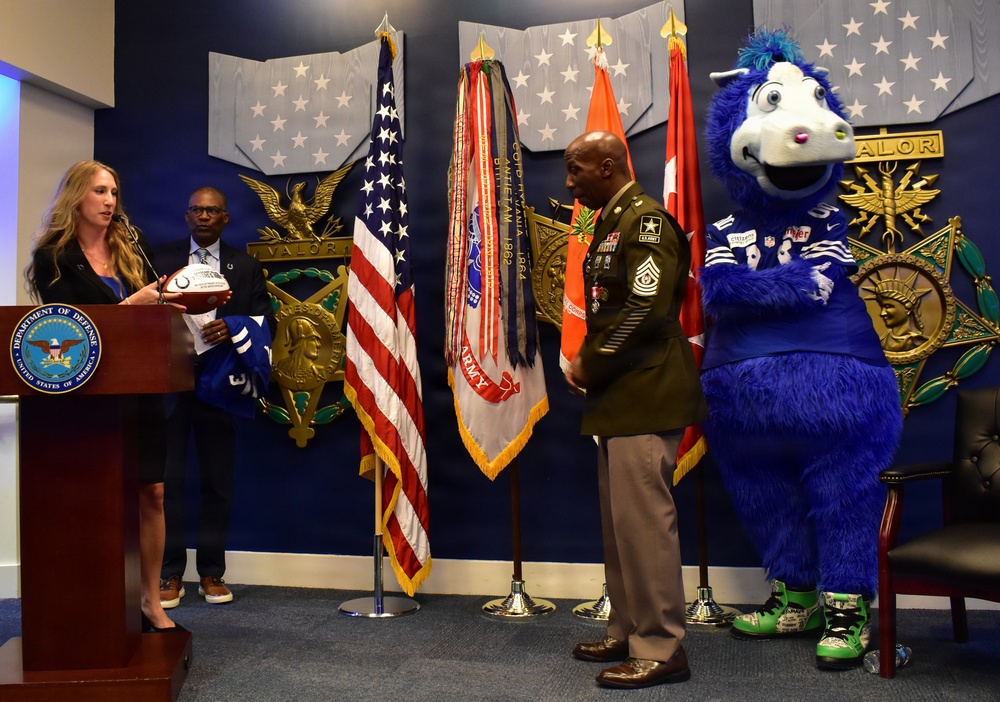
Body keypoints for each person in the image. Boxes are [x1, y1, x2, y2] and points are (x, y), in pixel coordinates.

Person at [562, 131, 708, 689]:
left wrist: (590, 362)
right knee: (621, 523)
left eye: (576, 170)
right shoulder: (611, 221)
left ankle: (662, 646)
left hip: (646, 392)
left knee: (645, 525)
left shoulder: (646, 222)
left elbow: (646, 308)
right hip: (621, 395)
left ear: (607, 166)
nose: (569, 182)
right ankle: (628, 629)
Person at [24, 160, 185, 632]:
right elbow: (72, 325)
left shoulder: (132, 249)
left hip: (142, 388)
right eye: (99, 191)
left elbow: (154, 312)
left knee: (152, 492)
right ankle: (93, 597)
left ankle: (150, 599)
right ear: (76, 197)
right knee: (97, 496)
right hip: (88, 399)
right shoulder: (53, 258)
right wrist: (130, 305)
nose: (110, 201)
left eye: (114, 191)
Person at [156, 186, 274, 609]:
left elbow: (265, 321)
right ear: (187, 216)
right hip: (168, 384)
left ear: (225, 219)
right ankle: (169, 573)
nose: (204, 217)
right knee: (166, 483)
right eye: (197, 210)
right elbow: (136, 313)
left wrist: (235, 327)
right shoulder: (158, 259)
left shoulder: (245, 267)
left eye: (213, 211)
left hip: (220, 383)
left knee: (217, 482)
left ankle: (211, 572)